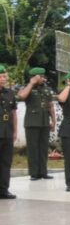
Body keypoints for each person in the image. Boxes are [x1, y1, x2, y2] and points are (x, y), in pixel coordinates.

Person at [18, 67, 55, 180]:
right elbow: (22, 96)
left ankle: (43, 172)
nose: (43, 79)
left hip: (44, 122)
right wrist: (31, 83)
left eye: (43, 76)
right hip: (32, 122)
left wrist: (53, 120)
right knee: (33, 148)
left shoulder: (47, 89)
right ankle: (34, 173)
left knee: (43, 148)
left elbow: (50, 105)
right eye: (41, 77)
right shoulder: (27, 88)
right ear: (34, 77)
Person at [0, 65, 17, 199]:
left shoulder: (9, 93)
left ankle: (3, 190)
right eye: (2, 76)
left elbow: (13, 112)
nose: (4, 79)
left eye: (5, 76)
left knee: (6, 162)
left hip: (7, 132)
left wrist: (15, 130)